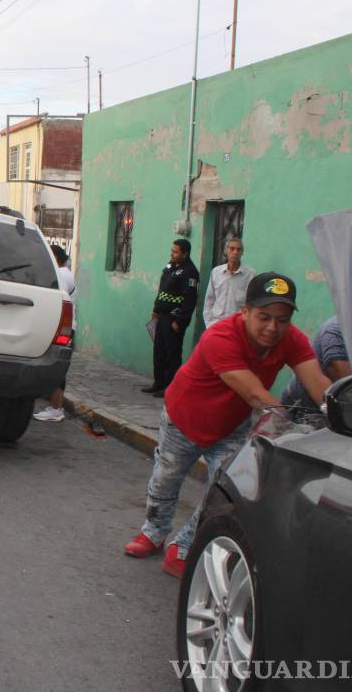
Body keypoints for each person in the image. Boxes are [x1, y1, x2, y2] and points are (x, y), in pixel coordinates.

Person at [123, 272, 332, 577]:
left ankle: (181, 548)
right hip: (184, 420)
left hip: (231, 427)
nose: (273, 327)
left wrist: (340, 408)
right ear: (245, 311)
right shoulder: (220, 337)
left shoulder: (291, 339)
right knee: (166, 478)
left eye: (282, 319)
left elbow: (317, 382)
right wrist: (290, 426)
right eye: (264, 317)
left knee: (222, 493)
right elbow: (254, 393)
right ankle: (153, 533)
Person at [142, 238, 199, 397]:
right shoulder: (170, 266)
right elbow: (162, 290)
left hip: (174, 318)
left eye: (175, 252)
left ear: (185, 254)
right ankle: (158, 382)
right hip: (161, 316)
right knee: (159, 351)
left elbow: (190, 299)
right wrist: (155, 309)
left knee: (172, 354)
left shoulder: (190, 272)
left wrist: (179, 321)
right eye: (172, 251)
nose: (172, 254)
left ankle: (170, 387)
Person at [34, 244, 76, 423]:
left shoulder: (61, 275)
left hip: (61, 326)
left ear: (55, 257)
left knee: (57, 369)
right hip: (60, 326)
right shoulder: (63, 273)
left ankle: (56, 408)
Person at [280, 316, 352, 410]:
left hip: (328, 401)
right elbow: (350, 388)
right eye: (264, 318)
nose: (272, 327)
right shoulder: (334, 332)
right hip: (300, 406)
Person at [202, 237, 255, 328]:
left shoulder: (250, 275)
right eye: (232, 249)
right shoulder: (216, 272)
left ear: (242, 252)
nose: (235, 252)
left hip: (237, 325)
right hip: (216, 323)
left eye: (238, 249)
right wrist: (209, 323)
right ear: (226, 251)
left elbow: (251, 302)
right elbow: (209, 299)